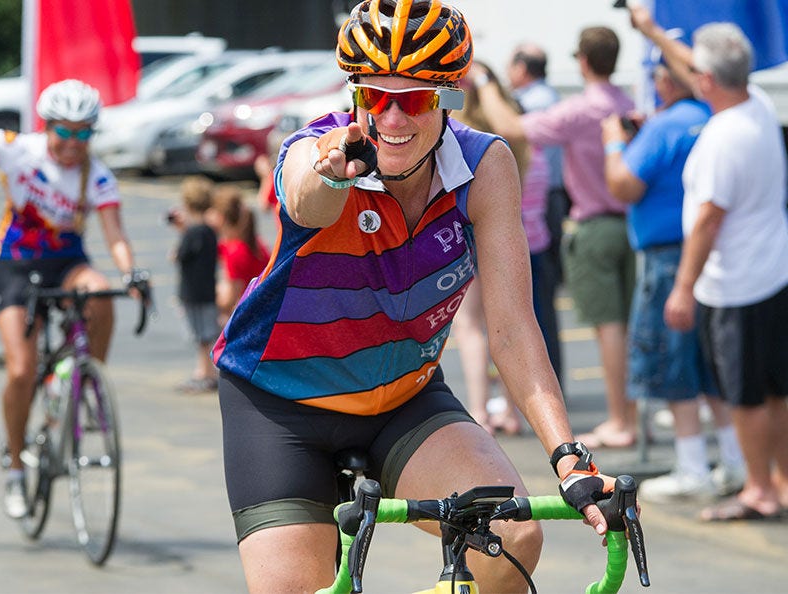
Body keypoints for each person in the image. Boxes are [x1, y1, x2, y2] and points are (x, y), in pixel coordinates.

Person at [212, 2, 618, 592]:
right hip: (280, 405)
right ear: (354, 97)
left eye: (418, 99)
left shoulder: (484, 167)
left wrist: (568, 456)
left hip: (402, 399)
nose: (394, 117)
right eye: (376, 97)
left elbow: (510, 326)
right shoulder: (315, 149)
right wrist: (331, 174)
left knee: (513, 539)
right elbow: (305, 200)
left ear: (449, 99)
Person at [632, 6, 788, 521]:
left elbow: (706, 222)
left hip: (736, 283)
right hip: (771, 270)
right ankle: (780, 480)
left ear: (706, 80)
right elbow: (700, 67)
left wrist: (682, 288)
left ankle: (759, 489)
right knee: (775, 388)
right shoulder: (756, 106)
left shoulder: (722, 137)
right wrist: (653, 31)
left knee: (744, 395)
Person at [473, 26, 638, 449]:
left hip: (595, 224)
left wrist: (486, 82)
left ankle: (621, 419)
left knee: (608, 326)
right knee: (624, 324)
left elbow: (512, 126)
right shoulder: (625, 101)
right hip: (628, 222)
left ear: (582, 61)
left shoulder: (582, 108)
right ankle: (627, 416)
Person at [0, 79, 144, 519]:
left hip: (67, 263)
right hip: (16, 266)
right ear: (47, 127)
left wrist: (130, 272)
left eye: (84, 133)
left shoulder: (96, 174)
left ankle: (86, 380)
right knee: (21, 370)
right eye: (65, 131)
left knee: (100, 292)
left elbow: (113, 232)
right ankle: (17, 467)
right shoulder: (17, 149)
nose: (73, 143)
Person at [601, 60, 745, 502]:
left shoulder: (665, 126)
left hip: (667, 259)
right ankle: (735, 460)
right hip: (707, 255)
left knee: (670, 361)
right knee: (709, 365)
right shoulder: (712, 119)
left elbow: (624, 185)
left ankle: (693, 466)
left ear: (665, 80)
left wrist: (613, 145)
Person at [450, 62, 550, 436]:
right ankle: (510, 411)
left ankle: (479, 410)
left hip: (464, 231)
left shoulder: (457, 138)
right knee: (509, 325)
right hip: (510, 231)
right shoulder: (506, 141)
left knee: (471, 326)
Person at [507, 44, 566, 385]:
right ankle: (550, 383)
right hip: (539, 241)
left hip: (520, 247)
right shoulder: (537, 158)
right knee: (541, 318)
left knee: (519, 322)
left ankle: (532, 389)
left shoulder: (513, 160)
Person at [170, 175, 219, 394]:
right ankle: (207, 372)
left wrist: (180, 236)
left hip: (192, 291)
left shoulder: (192, 232)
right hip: (207, 289)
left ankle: (204, 373)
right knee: (206, 332)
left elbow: (179, 256)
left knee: (200, 335)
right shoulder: (208, 230)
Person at [206, 183, 270, 326]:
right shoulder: (254, 243)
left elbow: (228, 299)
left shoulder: (234, 251)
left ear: (220, 217)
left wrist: (204, 293)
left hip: (247, 321)